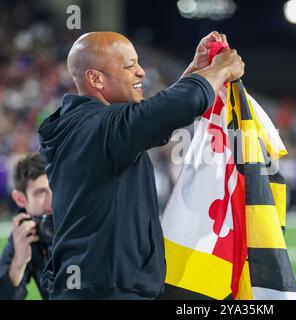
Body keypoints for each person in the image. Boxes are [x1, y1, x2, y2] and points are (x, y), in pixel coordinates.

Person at [38, 31, 245, 299]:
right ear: (95, 78)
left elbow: (153, 121)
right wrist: (222, 68)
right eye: (129, 66)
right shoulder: (97, 127)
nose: (142, 73)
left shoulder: (88, 124)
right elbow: (166, 109)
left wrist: (195, 71)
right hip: (107, 292)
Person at [0, 153, 53, 299]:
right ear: (20, 199)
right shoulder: (25, 233)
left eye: (55, 187)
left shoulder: (81, 221)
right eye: (41, 193)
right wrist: (19, 262)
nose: (52, 201)